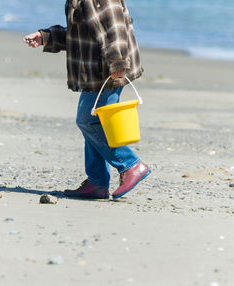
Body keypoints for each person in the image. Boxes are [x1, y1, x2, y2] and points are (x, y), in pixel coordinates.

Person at [23, 0, 150, 200]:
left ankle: (130, 165)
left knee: (87, 121)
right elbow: (80, 34)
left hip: (108, 70)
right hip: (96, 70)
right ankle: (97, 182)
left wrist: (117, 62)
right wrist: (47, 37)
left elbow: (115, 28)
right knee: (95, 121)